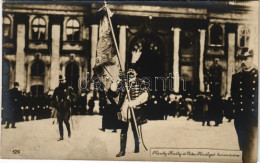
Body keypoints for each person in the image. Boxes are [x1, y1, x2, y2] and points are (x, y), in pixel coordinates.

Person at [112, 69, 149, 157]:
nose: (131, 74)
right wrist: (116, 81)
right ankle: (122, 150)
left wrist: (135, 102)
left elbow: (145, 95)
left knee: (134, 128)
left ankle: (137, 147)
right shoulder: (124, 83)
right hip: (125, 108)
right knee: (124, 128)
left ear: (136, 74)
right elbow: (113, 90)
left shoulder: (140, 82)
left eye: (133, 73)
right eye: (129, 73)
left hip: (135, 108)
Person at [231, 49, 258, 163]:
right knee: (242, 145)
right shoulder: (236, 77)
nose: (244, 62)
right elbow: (234, 96)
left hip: (253, 117)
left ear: (252, 59)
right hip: (240, 116)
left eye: (246, 58)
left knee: (251, 146)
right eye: (242, 59)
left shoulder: (257, 76)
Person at [52, 75, 76, 141]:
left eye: (63, 80)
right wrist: (56, 105)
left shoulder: (69, 88)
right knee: (60, 122)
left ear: (65, 80)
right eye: (61, 80)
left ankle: (69, 131)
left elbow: (74, 97)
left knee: (66, 121)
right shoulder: (57, 89)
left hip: (66, 108)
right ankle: (61, 136)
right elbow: (53, 98)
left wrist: (70, 100)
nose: (62, 81)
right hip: (59, 108)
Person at [209, 58, 223, 126]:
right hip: (213, 88)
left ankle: (217, 121)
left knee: (217, 108)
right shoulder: (211, 67)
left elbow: (221, 77)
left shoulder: (220, 68)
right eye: (215, 61)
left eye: (217, 61)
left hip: (217, 89)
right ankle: (210, 121)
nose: (216, 62)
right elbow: (209, 76)